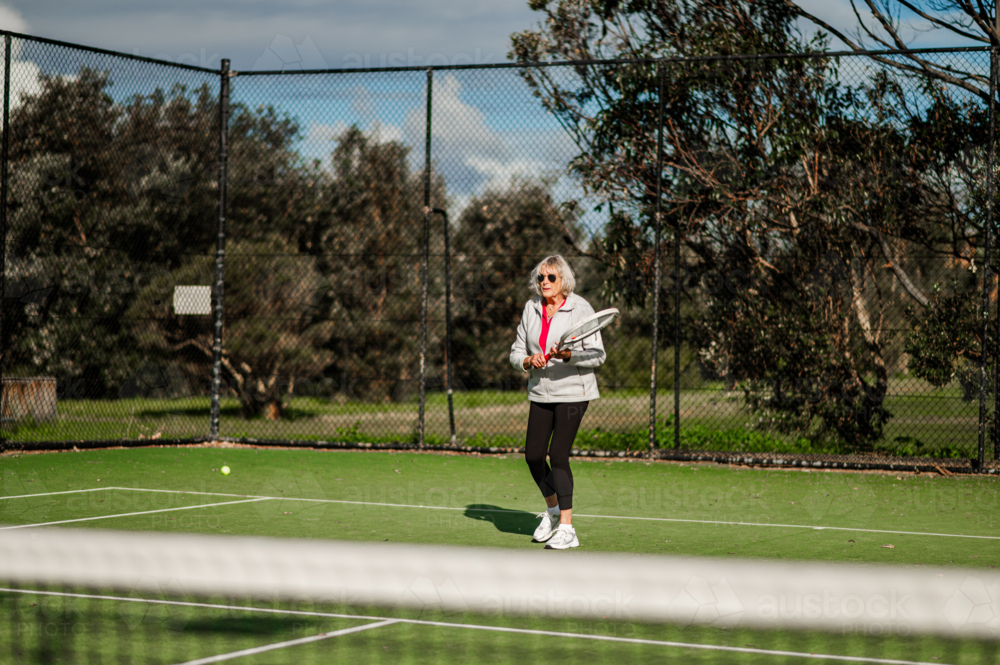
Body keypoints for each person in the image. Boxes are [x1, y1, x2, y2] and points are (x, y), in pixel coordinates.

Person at [509, 255, 606, 550]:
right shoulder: (531, 308)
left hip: (573, 393)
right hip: (541, 392)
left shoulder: (580, 308)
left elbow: (598, 355)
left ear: (564, 280)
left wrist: (569, 356)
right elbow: (515, 353)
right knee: (533, 457)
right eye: (540, 278)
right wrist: (528, 359)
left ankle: (567, 527)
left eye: (551, 278)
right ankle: (551, 511)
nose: (544, 283)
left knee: (558, 454)